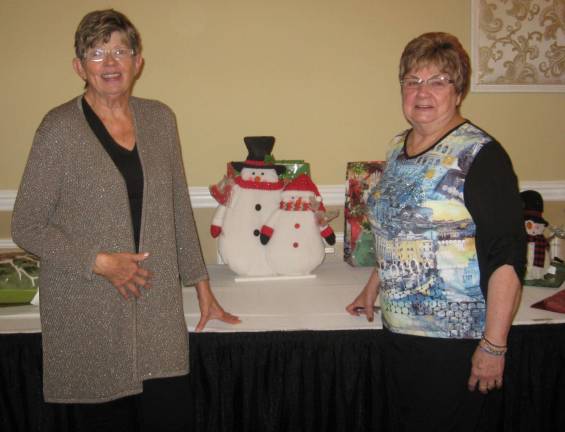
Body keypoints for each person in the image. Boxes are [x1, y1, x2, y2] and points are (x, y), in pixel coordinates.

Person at [11, 9, 239, 431]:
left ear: (139, 62)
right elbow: (25, 224)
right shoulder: (57, 128)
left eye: (121, 50)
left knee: (168, 413)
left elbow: (175, 206)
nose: (111, 62)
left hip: (156, 308)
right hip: (87, 309)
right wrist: (100, 262)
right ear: (79, 67)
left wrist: (201, 287)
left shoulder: (160, 119)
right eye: (97, 53)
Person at [346, 32, 526, 431]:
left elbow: (506, 257)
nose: (422, 92)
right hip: (398, 335)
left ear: (458, 91)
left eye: (437, 81)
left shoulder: (481, 155)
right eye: (412, 81)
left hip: (454, 345)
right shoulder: (398, 146)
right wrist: (373, 285)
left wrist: (494, 346)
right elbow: (399, 230)